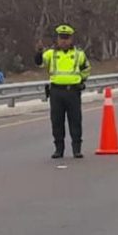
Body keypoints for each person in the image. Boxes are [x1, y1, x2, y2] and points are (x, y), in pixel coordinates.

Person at [35, 24, 91, 159]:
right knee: (57, 121)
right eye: (61, 38)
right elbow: (39, 63)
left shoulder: (79, 54)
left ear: (71, 39)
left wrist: (81, 81)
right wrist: (38, 52)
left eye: (66, 38)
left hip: (72, 91)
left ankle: (76, 149)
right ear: (57, 39)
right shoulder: (51, 54)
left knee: (75, 121)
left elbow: (86, 69)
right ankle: (58, 149)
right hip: (56, 92)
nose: (64, 41)